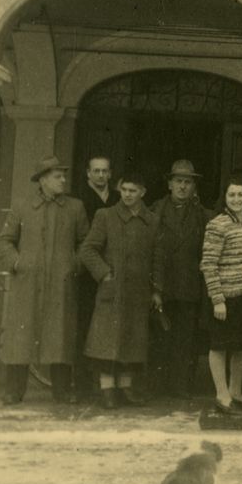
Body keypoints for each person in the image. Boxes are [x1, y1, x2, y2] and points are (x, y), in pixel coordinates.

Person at [0, 156, 90, 404]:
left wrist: (75, 265)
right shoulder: (22, 205)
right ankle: (14, 390)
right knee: (20, 336)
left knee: (61, 334)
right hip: (26, 283)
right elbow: (5, 240)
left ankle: (62, 390)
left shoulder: (75, 207)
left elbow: (86, 243)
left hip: (61, 283)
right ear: (44, 179)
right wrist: (17, 262)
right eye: (58, 176)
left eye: (63, 175)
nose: (63, 180)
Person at [79, 171, 161, 409]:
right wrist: (104, 273)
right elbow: (88, 250)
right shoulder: (105, 216)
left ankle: (126, 388)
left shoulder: (152, 220)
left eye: (132, 191)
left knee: (133, 340)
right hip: (112, 291)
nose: (127, 195)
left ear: (143, 193)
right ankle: (107, 389)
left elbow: (158, 257)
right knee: (107, 340)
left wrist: (156, 290)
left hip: (138, 292)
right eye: (124, 190)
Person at [150, 160, 211, 398]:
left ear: (194, 186)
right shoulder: (154, 210)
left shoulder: (202, 215)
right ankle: (157, 386)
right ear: (169, 184)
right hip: (161, 286)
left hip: (188, 286)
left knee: (185, 339)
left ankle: (181, 387)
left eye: (188, 182)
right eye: (178, 181)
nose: (183, 187)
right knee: (159, 337)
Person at [200, 178, 242, 416]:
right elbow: (208, 263)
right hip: (224, 297)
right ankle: (222, 396)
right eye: (232, 195)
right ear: (225, 198)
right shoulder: (217, 225)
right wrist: (217, 298)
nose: (237, 199)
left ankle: (236, 392)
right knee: (220, 346)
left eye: (241, 195)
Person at [74, 155, 114, 401]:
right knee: (84, 327)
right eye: (96, 171)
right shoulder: (77, 199)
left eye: (104, 171)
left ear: (110, 174)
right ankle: (81, 386)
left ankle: (106, 385)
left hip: (111, 274)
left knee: (107, 330)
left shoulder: (118, 199)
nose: (100, 175)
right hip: (86, 274)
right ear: (88, 173)